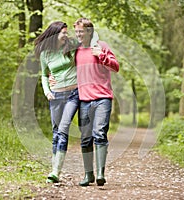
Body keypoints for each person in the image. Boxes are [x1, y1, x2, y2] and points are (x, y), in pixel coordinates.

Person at [73, 18, 119, 186]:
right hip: (84, 100)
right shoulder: (76, 50)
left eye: (81, 31)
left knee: (99, 133)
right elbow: (65, 69)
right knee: (85, 139)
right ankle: (88, 175)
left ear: (89, 32)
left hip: (102, 98)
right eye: (76, 32)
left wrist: (101, 56)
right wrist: (52, 78)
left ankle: (100, 173)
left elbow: (116, 67)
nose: (78, 34)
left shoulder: (101, 46)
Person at [34, 21, 79, 183]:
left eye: (67, 32)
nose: (66, 35)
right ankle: (54, 170)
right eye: (63, 33)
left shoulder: (72, 46)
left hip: (74, 94)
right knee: (56, 131)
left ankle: (55, 171)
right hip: (56, 95)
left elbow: (87, 44)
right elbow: (45, 75)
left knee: (63, 128)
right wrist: (47, 91)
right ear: (55, 35)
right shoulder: (45, 54)